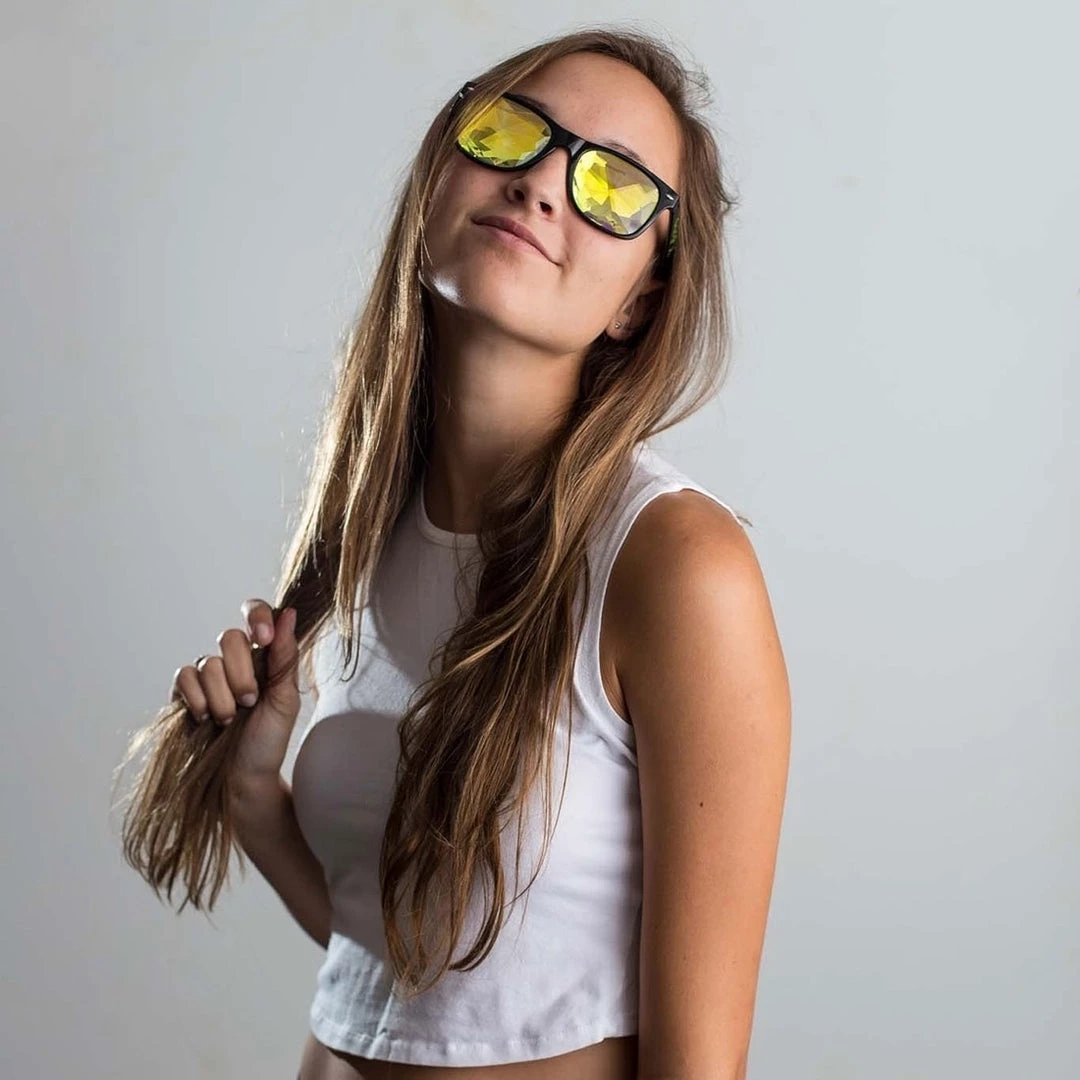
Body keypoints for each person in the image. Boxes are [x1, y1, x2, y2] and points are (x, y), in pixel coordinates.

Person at [114, 25, 791, 1080]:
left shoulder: (674, 565)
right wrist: (254, 801)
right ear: (442, 166)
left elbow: (698, 1066)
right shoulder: (365, 530)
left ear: (640, 301)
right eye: (513, 130)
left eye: (613, 186)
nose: (544, 184)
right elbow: (410, 974)